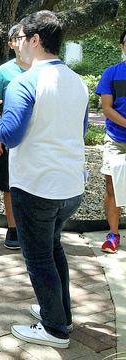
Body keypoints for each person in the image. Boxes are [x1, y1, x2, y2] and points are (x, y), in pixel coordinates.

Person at [0, 10, 88, 348]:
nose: (18, 44)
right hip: (71, 187)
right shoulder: (78, 81)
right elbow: (80, 130)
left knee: (39, 257)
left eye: (21, 38)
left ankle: (54, 329)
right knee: (53, 248)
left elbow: (9, 135)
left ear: (35, 40)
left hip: (36, 186)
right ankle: (61, 314)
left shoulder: (24, 82)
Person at [0, 24, 30, 250]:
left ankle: (32, 229)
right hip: (9, 135)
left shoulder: (41, 68)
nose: (21, 42)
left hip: (36, 137)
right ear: (11, 43)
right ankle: (13, 228)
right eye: (17, 38)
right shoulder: (3, 71)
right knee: (9, 184)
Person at [96, 29, 126, 253]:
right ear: (122, 46)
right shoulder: (111, 73)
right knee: (112, 186)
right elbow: (107, 109)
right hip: (116, 139)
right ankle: (113, 235)